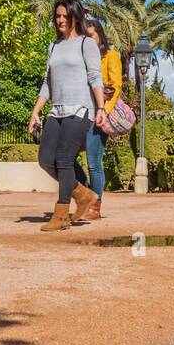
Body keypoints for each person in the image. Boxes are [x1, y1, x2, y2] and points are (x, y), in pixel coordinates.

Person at [29, 0, 106, 233]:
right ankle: (83, 194)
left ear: (75, 17)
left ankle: (61, 214)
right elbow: (47, 82)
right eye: (57, 16)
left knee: (63, 159)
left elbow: (95, 77)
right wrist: (36, 112)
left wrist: (101, 108)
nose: (60, 20)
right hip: (57, 110)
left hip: (81, 110)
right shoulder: (54, 46)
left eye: (65, 16)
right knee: (45, 159)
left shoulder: (86, 44)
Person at [74, 17, 122, 221]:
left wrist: (104, 112)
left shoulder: (110, 56)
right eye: (85, 36)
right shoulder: (80, 58)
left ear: (100, 36)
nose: (88, 40)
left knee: (94, 162)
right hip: (79, 113)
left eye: (91, 36)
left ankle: (95, 207)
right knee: (65, 158)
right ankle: (86, 192)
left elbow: (116, 86)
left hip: (98, 116)